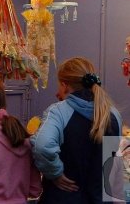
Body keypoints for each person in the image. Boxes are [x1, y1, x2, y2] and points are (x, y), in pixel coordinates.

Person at [30, 56, 122, 204]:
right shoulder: (113, 114)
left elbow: (42, 145)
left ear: (65, 85)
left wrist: (55, 173)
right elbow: (111, 165)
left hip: (62, 196)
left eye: (59, 86)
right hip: (99, 198)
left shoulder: (58, 112)